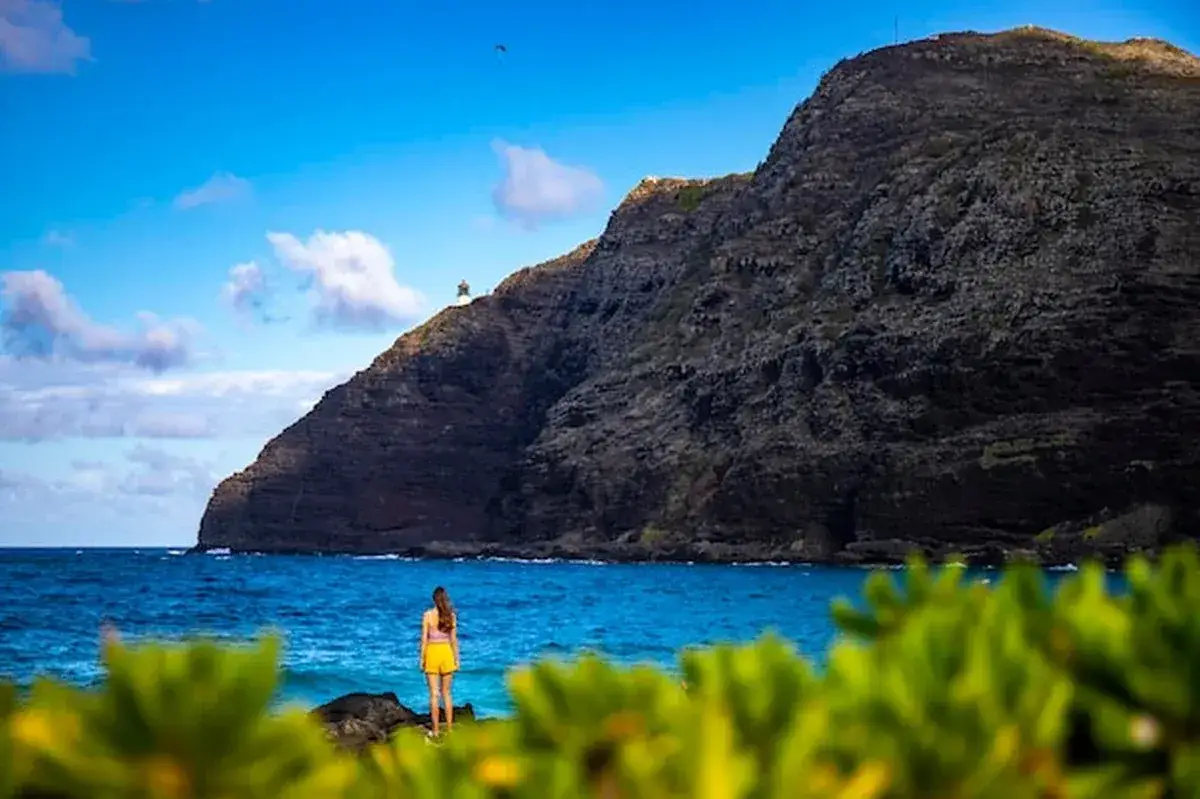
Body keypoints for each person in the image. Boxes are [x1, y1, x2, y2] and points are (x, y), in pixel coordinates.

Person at [419, 586, 459, 736]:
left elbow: (424, 639)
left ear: (434, 599)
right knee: (447, 693)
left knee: (434, 694)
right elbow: (454, 640)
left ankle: (435, 730)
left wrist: (421, 659)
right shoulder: (451, 616)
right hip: (446, 653)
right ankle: (449, 729)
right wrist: (457, 660)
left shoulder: (427, 615)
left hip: (432, 653)